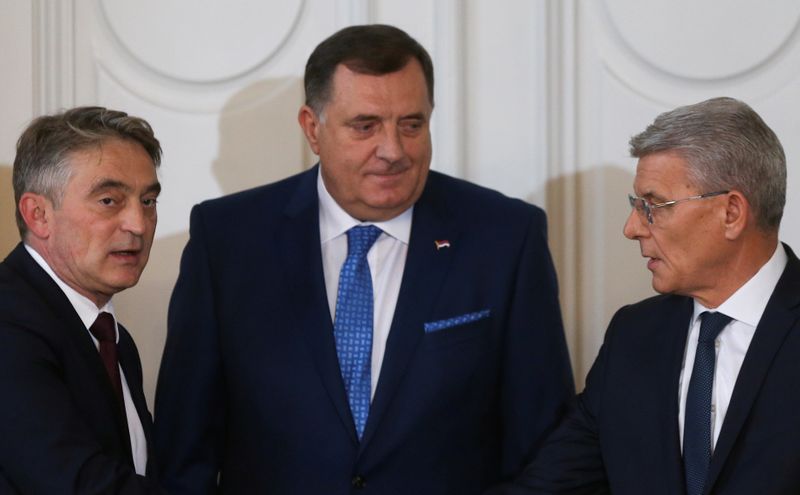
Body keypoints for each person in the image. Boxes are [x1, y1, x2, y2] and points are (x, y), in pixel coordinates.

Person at [154, 24, 573, 494]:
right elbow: (183, 448)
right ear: (313, 129)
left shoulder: (505, 237)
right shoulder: (228, 239)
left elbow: (545, 447)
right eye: (365, 126)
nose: (393, 151)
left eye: (412, 124)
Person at [493, 97, 800, 495]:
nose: (632, 227)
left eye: (654, 205)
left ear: (731, 213)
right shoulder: (633, 335)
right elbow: (550, 485)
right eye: (635, 205)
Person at [0, 107, 165, 493]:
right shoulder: (7, 323)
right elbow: (77, 484)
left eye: (148, 201)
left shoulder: (113, 337)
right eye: (109, 200)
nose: (138, 225)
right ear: (38, 214)